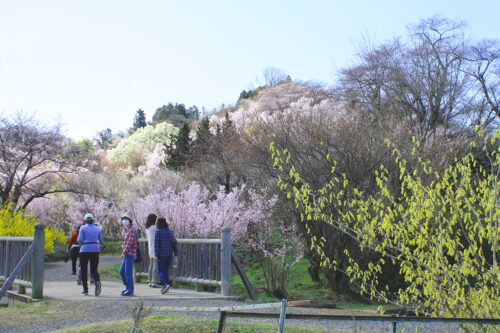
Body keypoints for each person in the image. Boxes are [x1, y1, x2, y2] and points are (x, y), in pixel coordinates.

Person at [77, 213, 104, 296]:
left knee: (84, 269)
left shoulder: (82, 228)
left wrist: (80, 245)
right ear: (93, 221)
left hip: (84, 249)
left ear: (85, 221)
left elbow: (80, 240)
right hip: (95, 249)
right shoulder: (97, 228)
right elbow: (101, 240)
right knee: (94, 270)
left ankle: (85, 289)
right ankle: (97, 281)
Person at [154, 217, 179, 294]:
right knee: (166, 271)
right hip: (169, 253)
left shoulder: (158, 232)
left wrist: (156, 255)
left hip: (161, 254)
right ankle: (166, 287)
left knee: (161, 271)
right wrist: (176, 253)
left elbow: (157, 245)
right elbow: (174, 242)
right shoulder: (170, 231)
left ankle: (166, 284)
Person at [120, 212, 137, 296]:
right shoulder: (127, 230)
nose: (124, 220)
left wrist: (124, 252)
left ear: (130, 220)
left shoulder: (132, 230)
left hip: (130, 254)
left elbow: (130, 243)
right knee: (122, 271)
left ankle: (130, 290)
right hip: (127, 254)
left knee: (128, 273)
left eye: (126, 219)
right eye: (123, 219)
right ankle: (128, 287)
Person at [145, 213, 161, 288]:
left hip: (150, 248)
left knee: (151, 265)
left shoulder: (147, 228)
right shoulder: (154, 228)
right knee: (155, 265)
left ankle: (150, 280)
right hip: (155, 248)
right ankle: (154, 281)